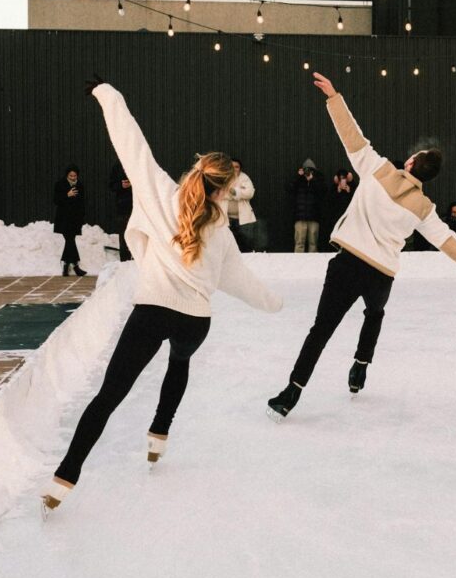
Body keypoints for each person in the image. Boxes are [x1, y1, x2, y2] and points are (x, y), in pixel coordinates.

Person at [42, 80, 282, 511]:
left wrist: (107, 94)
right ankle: (159, 434)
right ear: (224, 190)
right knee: (180, 361)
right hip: (195, 321)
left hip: (152, 311)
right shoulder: (222, 233)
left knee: (110, 394)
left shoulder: (160, 193)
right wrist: (273, 302)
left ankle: (65, 476)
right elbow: (240, 281)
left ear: (196, 173)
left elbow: (129, 140)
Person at [266, 72, 456, 421]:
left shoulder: (377, 169)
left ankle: (291, 392)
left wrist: (334, 97)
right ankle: (361, 366)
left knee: (321, 330)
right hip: (381, 275)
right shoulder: (424, 209)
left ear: (410, 164)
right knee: (374, 314)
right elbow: (449, 243)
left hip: (347, 265)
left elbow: (350, 134)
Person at [53, 165, 88, 276]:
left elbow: (82, 203)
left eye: (75, 175)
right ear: (67, 175)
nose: (73, 177)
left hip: (75, 219)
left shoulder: (80, 186)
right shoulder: (60, 184)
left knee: (70, 241)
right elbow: (55, 200)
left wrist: (81, 217)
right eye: (71, 175)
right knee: (70, 240)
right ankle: (76, 267)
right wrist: (67, 195)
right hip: (63, 218)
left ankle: (66, 265)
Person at [289, 158, 324, 252]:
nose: (308, 172)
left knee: (313, 243)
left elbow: (322, 192)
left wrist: (313, 180)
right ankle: (298, 263)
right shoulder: (299, 180)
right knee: (299, 243)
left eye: (310, 170)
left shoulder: (318, 179)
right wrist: (298, 176)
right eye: (306, 170)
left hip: (314, 216)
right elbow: (290, 188)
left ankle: (312, 265)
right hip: (300, 217)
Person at [223, 157, 258, 252]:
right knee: (228, 247)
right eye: (232, 167)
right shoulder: (222, 178)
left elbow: (250, 193)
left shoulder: (245, 178)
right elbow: (220, 193)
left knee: (246, 245)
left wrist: (234, 191)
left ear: (240, 168)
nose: (234, 169)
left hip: (243, 220)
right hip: (226, 219)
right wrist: (238, 193)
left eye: (236, 167)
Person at [108, 160, 133, 261]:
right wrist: (121, 185)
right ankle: (124, 259)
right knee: (123, 234)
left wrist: (132, 183)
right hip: (122, 206)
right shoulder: (117, 167)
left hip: (135, 205)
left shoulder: (135, 165)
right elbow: (111, 185)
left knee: (136, 233)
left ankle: (135, 257)